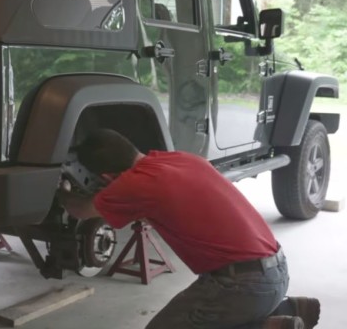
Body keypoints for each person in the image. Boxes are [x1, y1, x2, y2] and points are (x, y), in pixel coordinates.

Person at [59, 129, 320, 329]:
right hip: (276, 270)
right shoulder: (180, 159)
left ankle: (266, 325)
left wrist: (60, 192)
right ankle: (282, 308)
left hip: (240, 287)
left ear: (106, 177)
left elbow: (81, 210)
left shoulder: (132, 184)